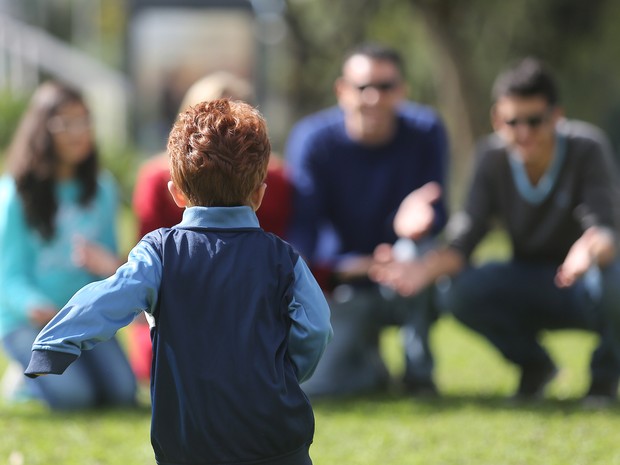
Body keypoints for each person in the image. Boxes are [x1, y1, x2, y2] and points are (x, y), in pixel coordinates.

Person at [25, 98, 333, 465]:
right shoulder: (284, 258)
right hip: (279, 441)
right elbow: (317, 327)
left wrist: (53, 344)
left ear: (177, 193)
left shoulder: (160, 252)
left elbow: (108, 298)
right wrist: (286, 369)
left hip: (190, 442)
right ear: (259, 194)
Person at [371, 57, 620, 403]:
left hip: (581, 284)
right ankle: (536, 366)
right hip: (524, 279)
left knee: (614, 276)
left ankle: (604, 381)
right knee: (455, 292)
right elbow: (465, 239)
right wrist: (421, 269)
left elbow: (606, 232)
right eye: (512, 121)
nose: (523, 132)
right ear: (496, 119)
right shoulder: (491, 157)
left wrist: (588, 249)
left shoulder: (587, 148)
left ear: (556, 116)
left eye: (535, 121)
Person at [285, 42, 450, 397]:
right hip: (341, 282)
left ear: (402, 91)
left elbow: (437, 211)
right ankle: (370, 366)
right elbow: (303, 231)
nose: (374, 97)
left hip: (404, 273)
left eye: (386, 87)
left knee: (415, 252)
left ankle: (419, 374)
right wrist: (342, 268)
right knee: (320, 386)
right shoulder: (313, 140)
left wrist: (422, 220)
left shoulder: (426, 131)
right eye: (363, 87)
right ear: (342, 90)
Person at [129, 71, 293, 382]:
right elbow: (146, 249)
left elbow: (283, 248)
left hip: (256, 298)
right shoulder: (155, 176)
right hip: (181, 300)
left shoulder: (279, 179)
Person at [0, 81, 137, 410]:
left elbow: (109, 272)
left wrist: (110, 265)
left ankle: (52, 371)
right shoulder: (16, 194)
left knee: (122, 394)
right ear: (43, 129)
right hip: (29, 321)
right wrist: (40, 309)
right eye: (67, 122)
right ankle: (24, 377)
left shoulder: (102, 189)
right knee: (76, 398)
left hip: (81, 321)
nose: (79, 132)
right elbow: (9, 278)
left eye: (84, 120)